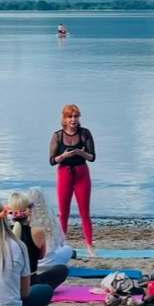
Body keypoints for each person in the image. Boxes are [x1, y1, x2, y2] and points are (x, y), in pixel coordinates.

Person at [50, 104, 95, 252]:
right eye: (70, 117)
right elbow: (52, 161)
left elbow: (92, 157)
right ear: (64, 119)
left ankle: (89, 246)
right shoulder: (58, 136)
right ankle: (61, 244)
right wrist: (64, 156)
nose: (73, 119)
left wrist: (80, 153)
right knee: (63, 213)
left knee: (85, 213)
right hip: (64, 173)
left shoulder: (85, 133)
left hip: (82, 173)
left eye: (75, 116)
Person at [6, 190, 69, 290]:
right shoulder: (38, 232)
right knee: (62, 270)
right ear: (29, 211)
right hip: (30, 284)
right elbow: (41, 256)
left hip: (8, 284)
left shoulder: (2, 232)